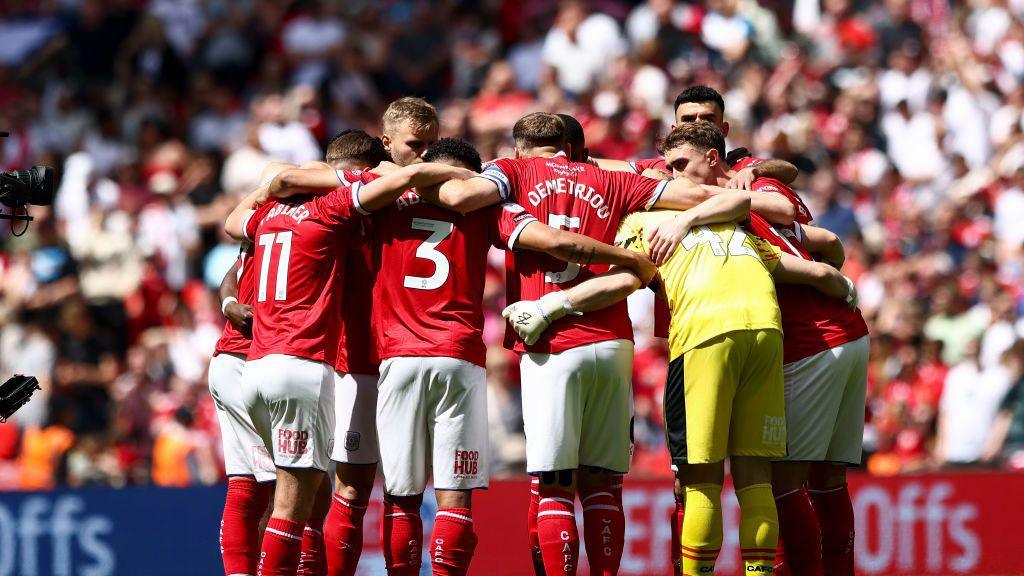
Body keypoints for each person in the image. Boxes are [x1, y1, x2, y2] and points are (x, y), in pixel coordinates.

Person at [428, 112, 742, 576]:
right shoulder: (609, 180)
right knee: (603, 486)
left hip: (550, 341)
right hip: (613, 341)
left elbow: (460, 194)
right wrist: (741, 183)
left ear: (520, 149)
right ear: (571, 148)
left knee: (554, 487)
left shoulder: (512, 172)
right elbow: (697, 194)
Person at [640, 122, 870, 575]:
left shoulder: (725, 208)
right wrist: (835, 281)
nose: (674, 177)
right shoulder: (765, 186)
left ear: (714, 155)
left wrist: (687, 216)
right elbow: (825, 241)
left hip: (808, 342)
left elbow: (786, 257)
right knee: (828, 480)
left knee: (779, 483)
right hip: (848, 333)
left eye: (681, 165)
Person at [222, 159, 473, 575]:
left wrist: (269, 188)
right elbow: (404, 177)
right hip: (314, 365)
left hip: (255, 365)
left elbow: (237, 234)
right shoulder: (333, 209)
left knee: (291, 490)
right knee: (297, 501)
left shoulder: (268, 217)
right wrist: (459, 173)